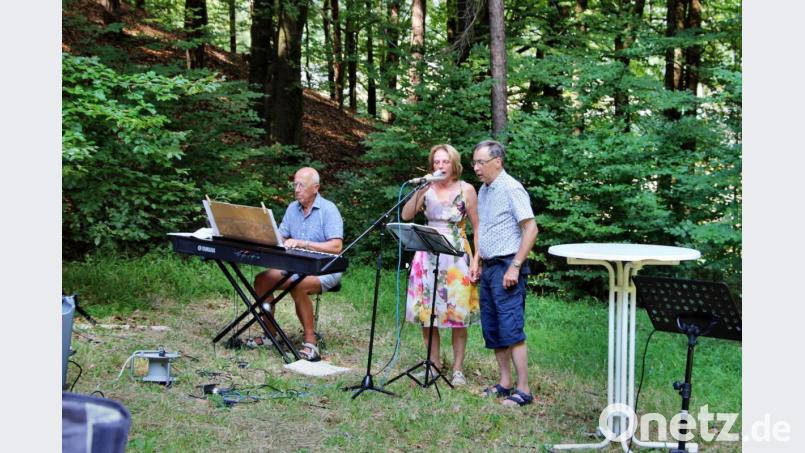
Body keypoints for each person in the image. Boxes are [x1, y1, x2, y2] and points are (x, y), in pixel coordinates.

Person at [401, 144, 480, 386]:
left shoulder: (466, 189)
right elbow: (405, 215)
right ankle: (433, 364)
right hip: (427, 255)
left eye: (445, 162)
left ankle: (457, 369)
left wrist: (477, 259)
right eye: (436, 162)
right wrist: (422, 189)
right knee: (428, 314)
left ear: (454, 164)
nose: (440, 166)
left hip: (456, 256)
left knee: (458, 314)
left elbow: (478, 227)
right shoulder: (428, 188)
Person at [469, 139, 539, 407]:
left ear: (497, 162)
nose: (476, 168)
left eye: (480, 162)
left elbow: (531, 229)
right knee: (493, 327)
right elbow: (482, 229)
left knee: (511, 327)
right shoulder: (484, 190)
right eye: (474, 162)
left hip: (508, 267)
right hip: (488, 268)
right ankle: (505, 383)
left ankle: (524, 390)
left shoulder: (512, 188)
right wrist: (476, 260)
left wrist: (516, 266)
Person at [252, 167, 343, 362]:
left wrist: (304, 243)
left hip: (325, 270)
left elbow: (336, 246)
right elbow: (280, 236)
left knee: (298, 285)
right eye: (295, 185)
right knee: (261, 281)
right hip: (293, 267)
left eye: (302, 185)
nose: (297, 190)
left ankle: (311, 343)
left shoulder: (328, 210)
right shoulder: (292, 208)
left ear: (315, 188)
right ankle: (270, 333)